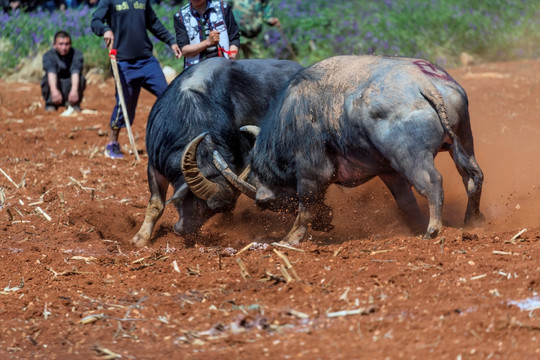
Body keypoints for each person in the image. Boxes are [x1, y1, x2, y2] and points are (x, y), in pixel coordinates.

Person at [91, 0, 182, 159]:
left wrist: (171, 41)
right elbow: (95, 21)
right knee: (124, 105)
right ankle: (112, 143)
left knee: (168, 96)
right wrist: (105, 29)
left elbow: (153, 22)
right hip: (123, 63)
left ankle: (177, 140)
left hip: (147, 61)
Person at [174, 0, 240, 69]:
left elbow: (234, 37)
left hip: (224, 66)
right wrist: (207, 42)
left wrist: (231, 59)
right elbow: (184, 50)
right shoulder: (180, 16)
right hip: (195, 71)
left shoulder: (223, 8)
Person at [41, 30, 86, 112]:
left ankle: (73, 104)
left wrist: (74, 90)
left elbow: (75, 72)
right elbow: (51, 72)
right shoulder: (48, 55)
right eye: (61, 44)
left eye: (67, 44)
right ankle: (51, 104)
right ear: (54, 45)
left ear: (70, 44)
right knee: (47, 79)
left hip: (70, 85)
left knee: (81, 78)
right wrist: (54, 91)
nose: (64, 48)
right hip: (55, 84)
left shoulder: (76, 54)